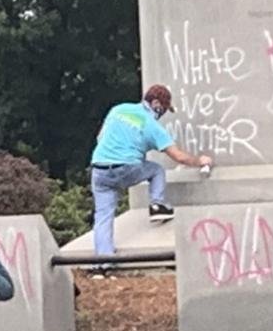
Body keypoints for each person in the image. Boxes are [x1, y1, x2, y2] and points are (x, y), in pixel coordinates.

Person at [89, 84, 213, 253]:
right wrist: (200, 161)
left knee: (103, 215)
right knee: (156, 170)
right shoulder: (152, 126)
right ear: (155, 103)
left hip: (99, 168)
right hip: (127, 166)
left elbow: (100, 137)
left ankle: (103, 263)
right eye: (162, 109)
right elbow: (179, 157)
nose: (161, 114)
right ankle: (157, 205)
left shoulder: (118, 110)